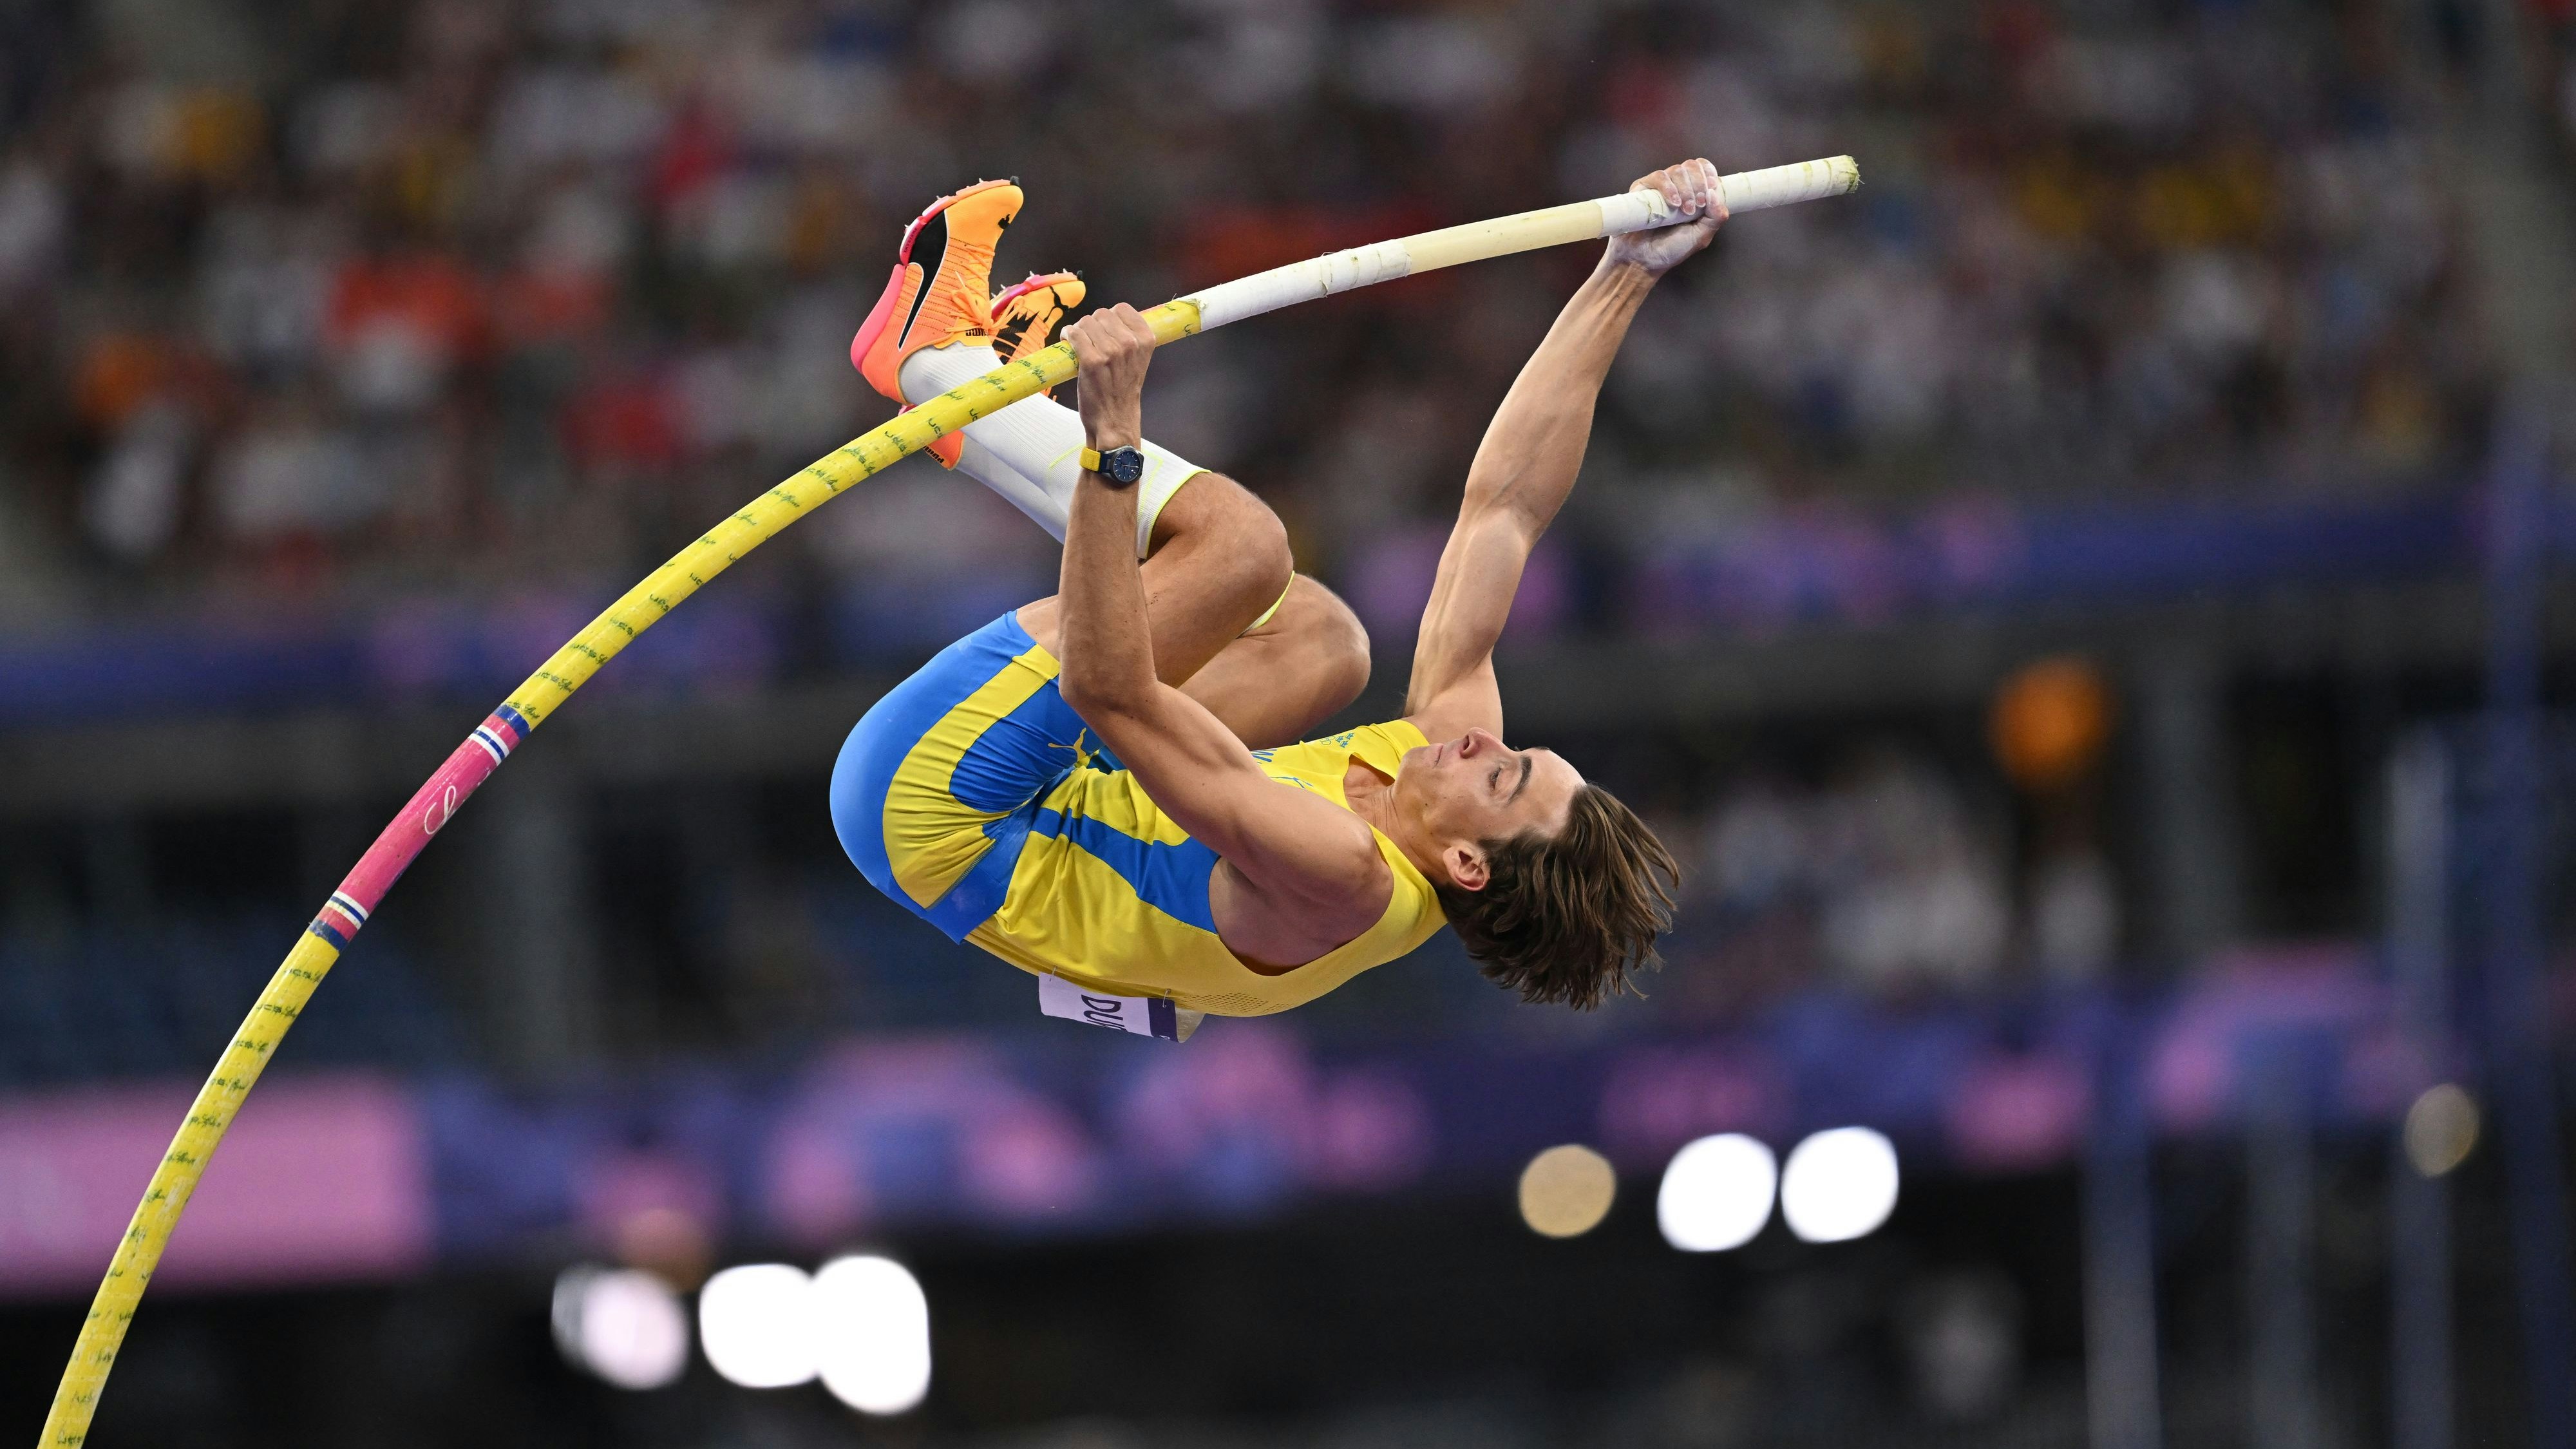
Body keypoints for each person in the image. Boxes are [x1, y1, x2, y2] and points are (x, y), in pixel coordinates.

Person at [831, 161, 1725, 1032]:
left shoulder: (1342, 874)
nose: (1483, 737)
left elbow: (1105, 688)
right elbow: (1507, 509)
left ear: (1465, 863)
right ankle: (992, 411)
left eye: (1501, 775)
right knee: (1325, 641)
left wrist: (1114, 441)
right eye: (1519, 748)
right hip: (1070, 793)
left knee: (1244, 551)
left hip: (938, 807)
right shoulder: (1435, 774)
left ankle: (931, 366)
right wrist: (1625, 272)